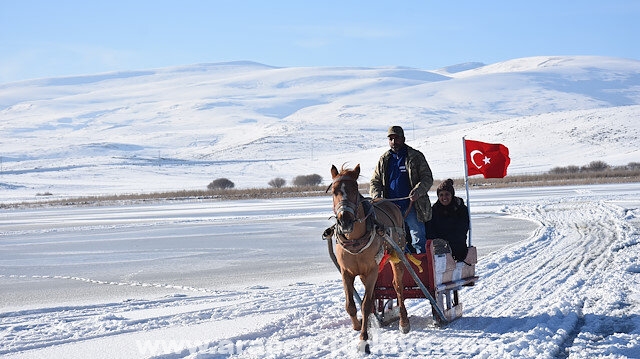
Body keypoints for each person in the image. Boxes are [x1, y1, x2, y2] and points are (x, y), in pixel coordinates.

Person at [370, 125, 434, 254]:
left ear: (403, 138)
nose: (394, 142)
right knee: (393, 241)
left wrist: (418, 191)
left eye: (397, 138)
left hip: (413, 206)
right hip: (390, 210)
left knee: (418, 240)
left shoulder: (415, 156)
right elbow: (375, 181)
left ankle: (421, 269)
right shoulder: (384, 159)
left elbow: (427, 178)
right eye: (391, 139)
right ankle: (397, 270)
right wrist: (377, 196)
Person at [425, 179, 470, 262]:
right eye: (441, 195)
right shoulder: (434, 210)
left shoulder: (461, 209)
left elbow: (462, 228)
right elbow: (430, 230)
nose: (444, 197)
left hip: (456, 244)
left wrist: (448, 241)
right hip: (439, 246)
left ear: (452, 195)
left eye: (447, 194)